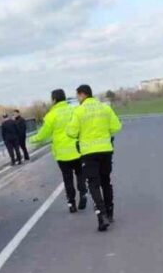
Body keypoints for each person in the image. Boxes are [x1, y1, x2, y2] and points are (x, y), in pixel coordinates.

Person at [67, 84, 121, 232]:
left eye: (78, 96)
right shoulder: (105, 108)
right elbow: (116, 127)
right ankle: (110, 212)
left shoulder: (78, 111)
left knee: (93, 183)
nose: (78, 99)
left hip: (88, 153)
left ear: (82, 95)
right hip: (105, 150)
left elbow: (71, 132)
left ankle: (101, 214)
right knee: (106, 181)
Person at [32, 89, 86, 212]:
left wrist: (31, 139)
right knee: (80, 174)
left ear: (54, 100)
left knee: (67, 179)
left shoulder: (51, 115)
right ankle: (83, 192)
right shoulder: (74, 110)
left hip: (62, 153)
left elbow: (43, 134)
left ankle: (71, 203)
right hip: (78, 149)